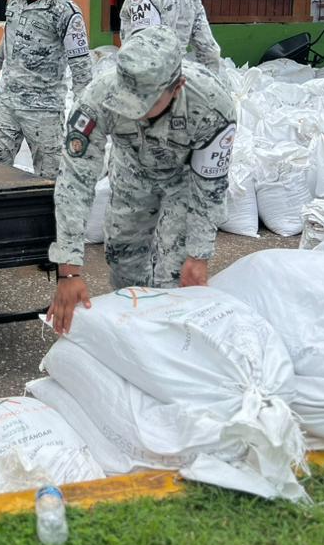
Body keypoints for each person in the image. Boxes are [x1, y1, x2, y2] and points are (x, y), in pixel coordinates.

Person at [46, 28, 236, 334]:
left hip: (184, 180)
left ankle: (167, 343)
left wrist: (199, 254)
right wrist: (69, 271)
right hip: (131, 171)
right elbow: (74, 183)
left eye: (145, 102)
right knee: (123, 260)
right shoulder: (98, 97)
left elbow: (210, 189)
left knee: (175, 278)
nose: (134, 111)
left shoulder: (212, 106)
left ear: (177, 87)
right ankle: (133, 336)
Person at [0, 0, 92, 180]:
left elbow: (82, 69)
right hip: (8, 103)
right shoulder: (15, 0)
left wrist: (85, 119)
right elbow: (9, 32)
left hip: (43, 112)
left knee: (48, 178)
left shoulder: (65, 11)